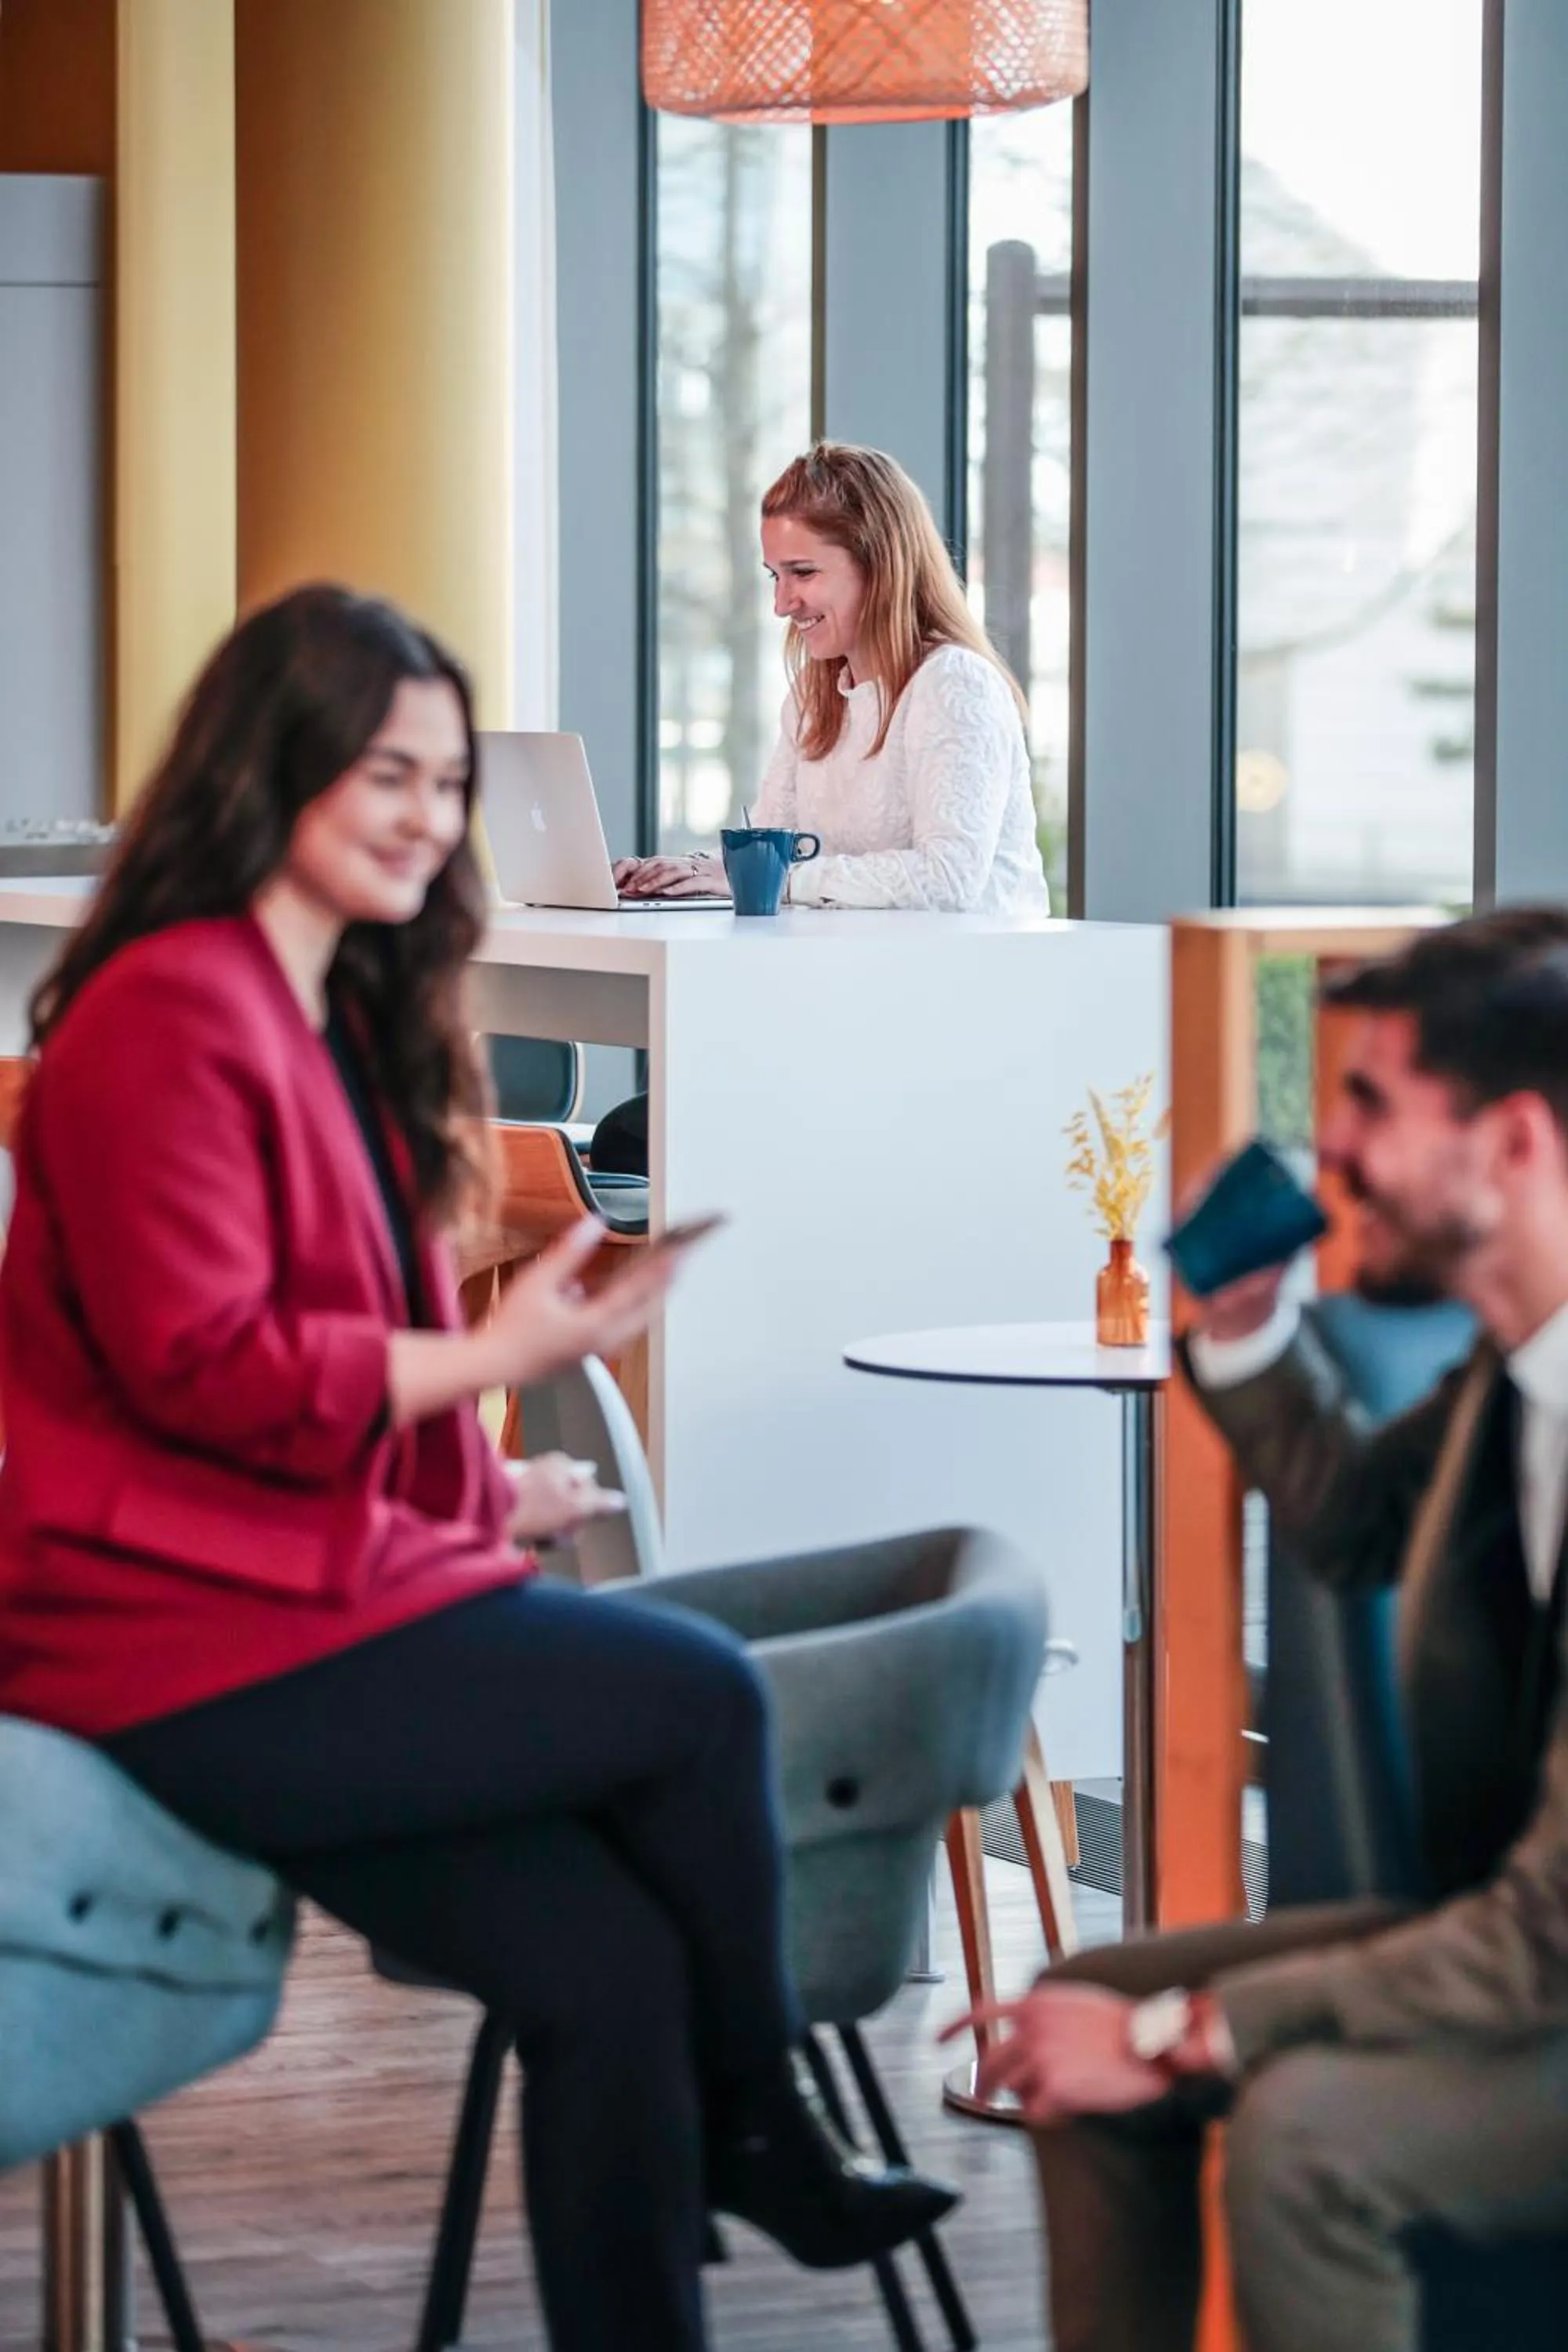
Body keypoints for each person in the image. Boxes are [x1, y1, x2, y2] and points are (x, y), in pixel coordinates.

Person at [0, 585, 956, 2352]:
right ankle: (766, 2126)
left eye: (445, 785)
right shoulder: (162, 1019)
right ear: (265, 770)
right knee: (692, 1694)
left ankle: (700, 2211)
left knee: (603, 1973)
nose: (430, 819)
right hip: (174, 1646)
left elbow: (331, 1391)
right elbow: (207, 1375)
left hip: (287, 1605)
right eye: (388, 775)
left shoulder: (324, 1025)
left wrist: (481, 1494)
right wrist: (514, 1357)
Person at [945, 907, 1568, 2352]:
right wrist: (1237, 1319)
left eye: (1370, 1105)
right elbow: (1356, 1519)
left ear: (1517, 1144)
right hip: (1522, 1941)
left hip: (1542, 1955)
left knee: (1304, 2138)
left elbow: (1543, 1934)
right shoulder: (1515, 1365)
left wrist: (1189, 2038)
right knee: (1087, 1990)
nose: (1328, 1153)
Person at [593, 441, 1051, 1170]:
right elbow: (772, 848)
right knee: (631, 1138)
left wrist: (767, 877)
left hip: (952, 1030)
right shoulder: (815, 698)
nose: (782, 603)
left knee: (642, 1141)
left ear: (882, 563)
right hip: (847, 1018)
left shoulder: (953, 685)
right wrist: (692, 872)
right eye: (776, 576)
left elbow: (946, 881)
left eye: (803, 574)